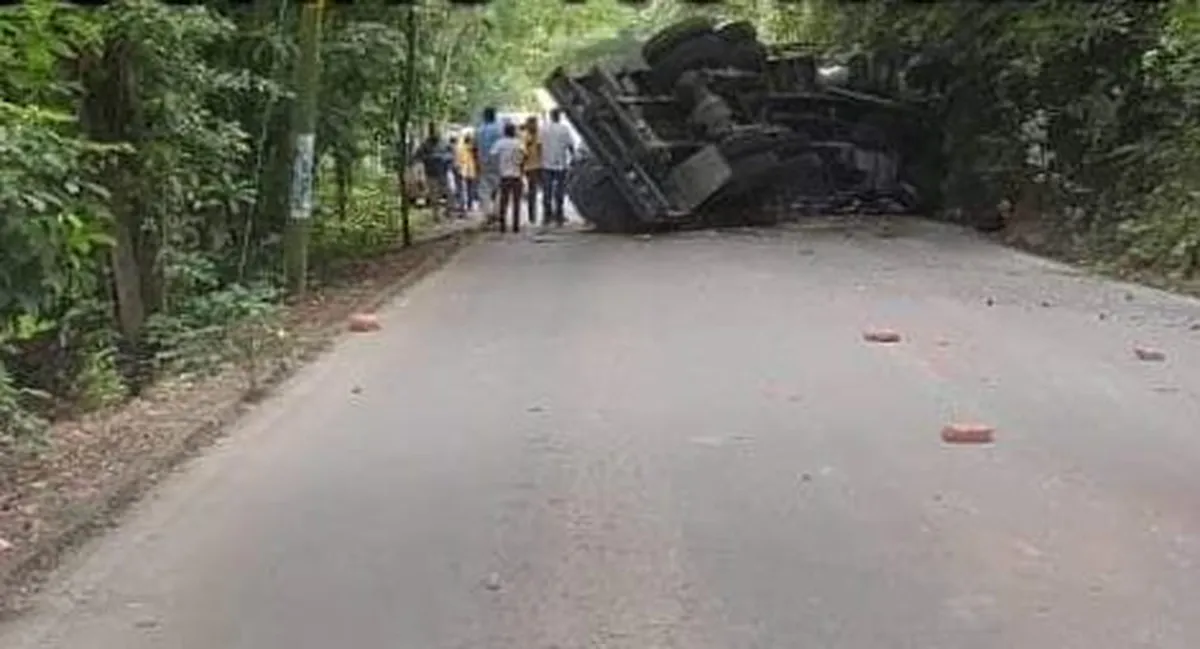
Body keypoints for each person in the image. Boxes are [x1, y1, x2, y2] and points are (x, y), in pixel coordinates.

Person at [540, 108, 575, 226]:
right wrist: (573, 158)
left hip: (546, 164)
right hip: (561, 164)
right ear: (559, 116)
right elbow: (570, 146)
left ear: (550, 116)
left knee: (547, 191)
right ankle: (559, 216)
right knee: (559, 192)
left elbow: (539, 145)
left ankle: (547, 216)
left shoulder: (544, 129)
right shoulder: (564, 129)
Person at [490, 121, 525, 233]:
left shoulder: (499, 143)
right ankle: (516, 226)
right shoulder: (518, 143)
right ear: (514, 132)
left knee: (503, 201)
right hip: (516, 175)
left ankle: (503, 225)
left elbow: (493, 156)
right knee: (516, 202)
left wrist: (497, 167)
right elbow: (524, 156)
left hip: (504, 175)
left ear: (504, 132)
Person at [413, 122, 453, 219]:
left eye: (436, 131)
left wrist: (445, 159)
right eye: (433, 131)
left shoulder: (444, 142)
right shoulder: (425, 144)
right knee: (434, 194)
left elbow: (451, 154)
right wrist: (430, 158)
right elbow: (417, 157)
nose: (435, 133)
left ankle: (448, 212)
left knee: (448, 192)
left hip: (442, 171)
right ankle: (436, 215)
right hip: (431, 172)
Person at [474, 107, 503, 222]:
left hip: (483, 162)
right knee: (500, 187)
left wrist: (477, 163)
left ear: (484, 116)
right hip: (498, 162)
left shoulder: (479, 130)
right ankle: (498, 211)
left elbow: (475, 148)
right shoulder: (499, 129)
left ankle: (487, 213)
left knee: (484, 189)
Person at [520, 115, 543, 226]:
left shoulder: (538, 134)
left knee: (540, 191)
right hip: (531, 166)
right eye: (533, 123)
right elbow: (524, 152)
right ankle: (532, 216)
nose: (535, 125)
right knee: (532, 191)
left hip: (537, 165)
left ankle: (538, 215)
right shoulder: (527, 136)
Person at [454, 132, 478, 214]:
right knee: (470, 189)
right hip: (470, 171)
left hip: (463, 171)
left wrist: (457, 167)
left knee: (463, 189)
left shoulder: (459, 148)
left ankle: (463, 207)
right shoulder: (473, 149)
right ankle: (469, 205)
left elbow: (457, 160)